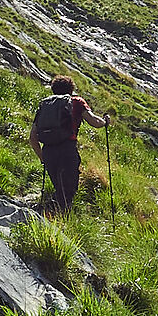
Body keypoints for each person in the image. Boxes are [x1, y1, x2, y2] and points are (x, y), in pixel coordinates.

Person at [29, 73, 107, 215]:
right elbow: (94, 122)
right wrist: (105, 122)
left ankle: (51, 216)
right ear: (71, 89)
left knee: (59, 188)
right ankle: (62, 222)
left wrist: (42, 158)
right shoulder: (76, 101)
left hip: (48, 151)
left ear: (53, 89)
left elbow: (32, 137)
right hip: (67, 150)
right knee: (68, 191)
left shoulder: (45, 104)